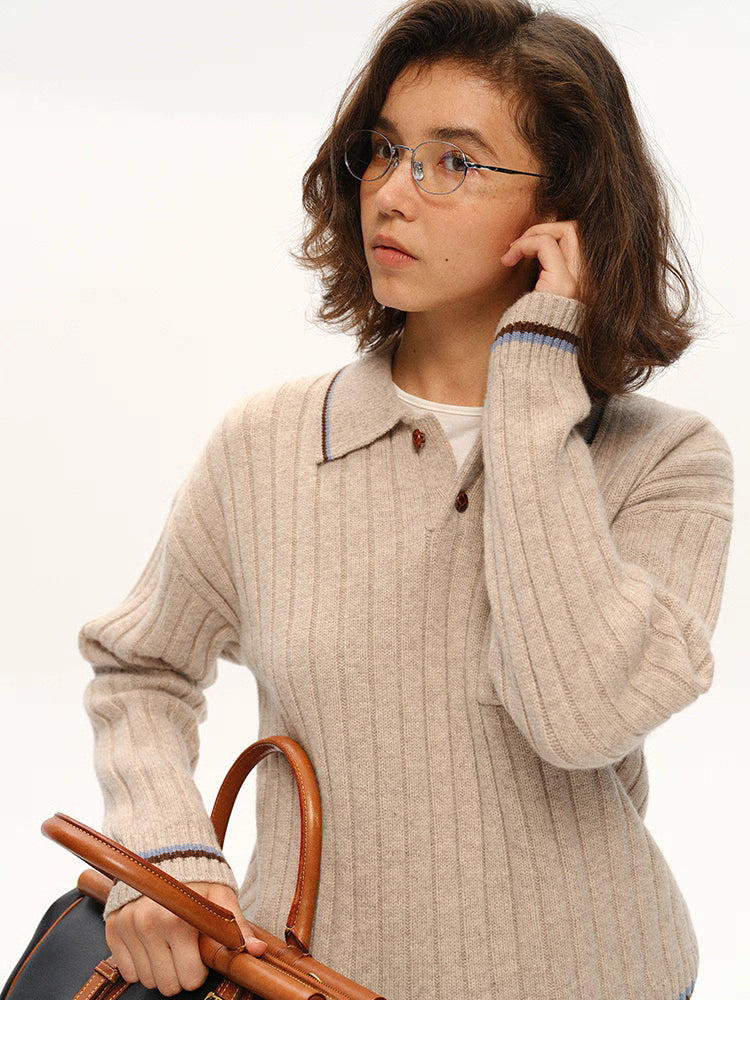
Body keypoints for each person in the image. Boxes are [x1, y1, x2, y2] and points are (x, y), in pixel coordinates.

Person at [80, 0, 733, 1000]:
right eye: (383, 151)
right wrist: (171, 849)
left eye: (455, 161)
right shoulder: (268, 444)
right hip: (312, 989)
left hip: (608, 993)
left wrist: (534, 383)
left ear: (566, 212)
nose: (392, 192)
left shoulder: (668, 462)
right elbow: (141, 665)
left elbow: (579, 714)